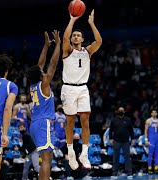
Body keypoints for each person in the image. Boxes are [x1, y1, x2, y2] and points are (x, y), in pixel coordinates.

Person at [61, 9, 102, 170]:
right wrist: (72, 20)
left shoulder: (87, 51)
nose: (75, 37)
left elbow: (99, 41)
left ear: (83, 39)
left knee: (85, 121)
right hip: (69, 89)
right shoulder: (67, 50)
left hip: (83, 89)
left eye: (78, 35)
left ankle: (84, 153)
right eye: (74, 35)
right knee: (70, 122)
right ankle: (71, 152)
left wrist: (91, 24)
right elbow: (65, 38)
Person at [27, 30, 60, 180]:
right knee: (46, 160)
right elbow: (52, 64)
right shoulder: (44, 85)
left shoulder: (33, 85)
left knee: (46, 159)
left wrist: (46, 46)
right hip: (43, 123)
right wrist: (58, 45)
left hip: (35, 124)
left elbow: (39, 65)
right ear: (41, 76)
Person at [144, 109, 158, 174]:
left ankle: (156, 169)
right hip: (151, 139)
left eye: (155, 112)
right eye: (153, 112)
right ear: (151, 114)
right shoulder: (148, 121)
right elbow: (145, 130)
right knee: (150, 154)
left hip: (157, 138)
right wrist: (146, 139)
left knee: (157, 154)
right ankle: (149, 169)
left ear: (157, 114)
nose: (154, 114)